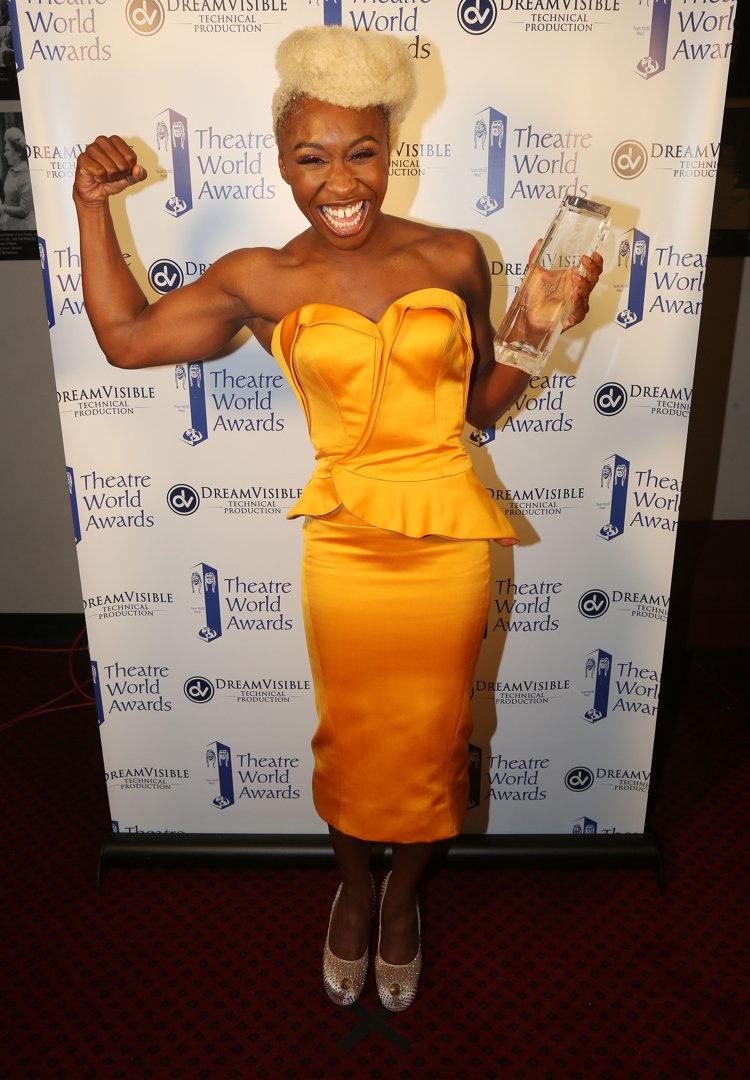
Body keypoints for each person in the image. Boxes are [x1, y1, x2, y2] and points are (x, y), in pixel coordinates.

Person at [73, 26, 602, 1012]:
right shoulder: (258, 278)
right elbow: (125, 340)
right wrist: (88, 207)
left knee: (438, 737)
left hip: (447, 544)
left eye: (361, 151)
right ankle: (355, 889)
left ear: (393, 150)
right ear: (281, 160)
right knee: (353, 740)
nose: (340, 179)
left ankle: (407, 893)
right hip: (346, 548)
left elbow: (478, 408)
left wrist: (537, 327)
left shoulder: (454, 255)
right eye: (312, 157)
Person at [1, 127, 36, 232]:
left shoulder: (26, 176)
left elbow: (24, 210)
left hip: (23, 228)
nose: (5, 154)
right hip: (8, 226)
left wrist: (3, 208)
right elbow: (8, 199)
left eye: (7, 150)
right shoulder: (11, 171)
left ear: (19, 152)